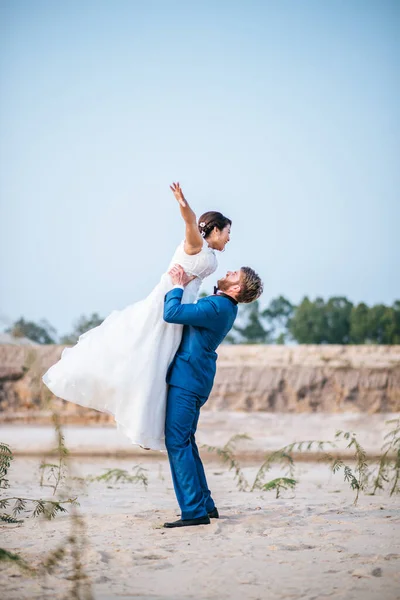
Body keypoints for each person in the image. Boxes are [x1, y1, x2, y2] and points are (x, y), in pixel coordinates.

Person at [42, 183, 232, 451]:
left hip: (182, 304)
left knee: (161, 362)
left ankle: (147, 427)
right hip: (168, 300)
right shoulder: (195, 244)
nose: (228, 238)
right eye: (227, 232)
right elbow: (189, 220)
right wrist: (182, 202)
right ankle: (140, 425)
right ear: (214, 229)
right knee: (149, 357)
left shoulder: (207, 252)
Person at [163, 263, 263, 528]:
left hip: (188, 379)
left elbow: (172, 313)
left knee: (177, 442)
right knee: (186, 441)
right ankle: (205, 505)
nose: (229, 272)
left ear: (237, 287)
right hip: (195, 378)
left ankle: (194, 511)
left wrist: (176, 285)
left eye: (233, 274)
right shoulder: (224, 306)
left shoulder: (218, 307)